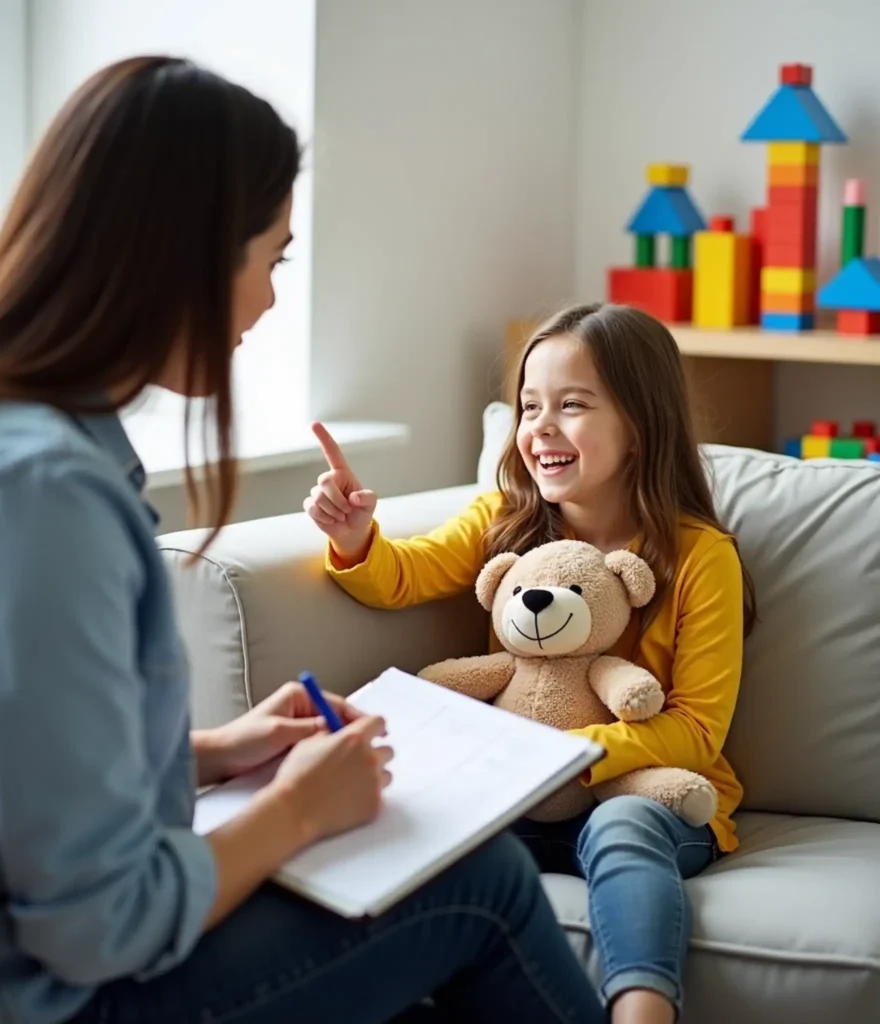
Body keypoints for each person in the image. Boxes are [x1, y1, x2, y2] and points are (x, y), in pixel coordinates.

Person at [0, 57, 605, 1024]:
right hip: (30, 996)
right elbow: (101, 921)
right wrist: (293, 812)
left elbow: (1, 769)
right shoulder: (39, 499)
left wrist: (212, 753)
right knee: (485, 884)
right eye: (274, 258)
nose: (269, 301)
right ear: (189, 254)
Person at [305, 301, 756, 1024]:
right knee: (417, 827)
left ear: (639, 427)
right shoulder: (503, 520)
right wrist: (358, 536)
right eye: (529, 406)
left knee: (623, 829)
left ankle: (643, 1014)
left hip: (650, 789)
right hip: (517, 794)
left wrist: (565, 755)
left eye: (572, 405)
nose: (540, 426)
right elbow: (402, 576)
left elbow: (698, 729)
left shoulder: (701, 556)